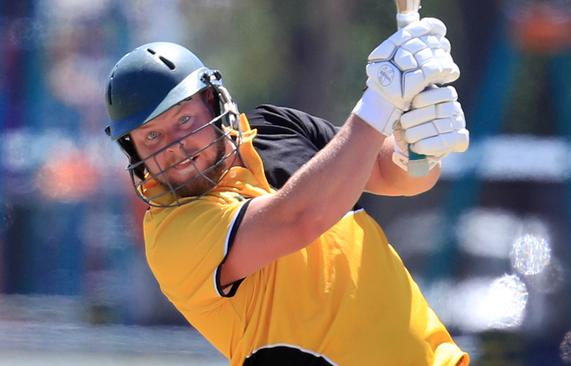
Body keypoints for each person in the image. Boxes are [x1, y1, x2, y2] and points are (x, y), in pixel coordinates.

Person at [105, 16, 470, 366]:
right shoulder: (172, 232)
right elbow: (299, 218)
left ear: (213, 103)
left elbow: (392, 174)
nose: (177, 145)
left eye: (184, 119)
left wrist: (419, 145)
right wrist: (381, 99)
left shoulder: (277, 127)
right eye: (152, 136)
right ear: (133, 150)